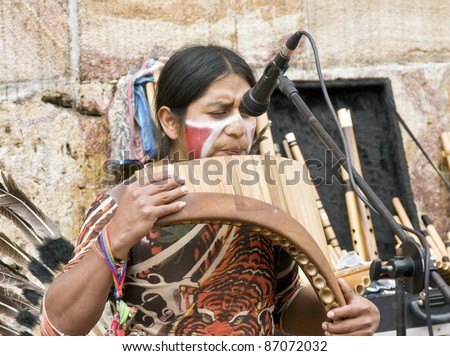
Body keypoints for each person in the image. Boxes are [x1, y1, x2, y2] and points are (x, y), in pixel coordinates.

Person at [41, 44, 380, 336]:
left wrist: (345, 316)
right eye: (219, 112)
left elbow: (286, 307)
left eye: (248, 113)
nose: (238, 128)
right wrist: (113, 239)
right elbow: (59, 326)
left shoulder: (263, 197)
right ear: (170, 122)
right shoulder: (126, 202)